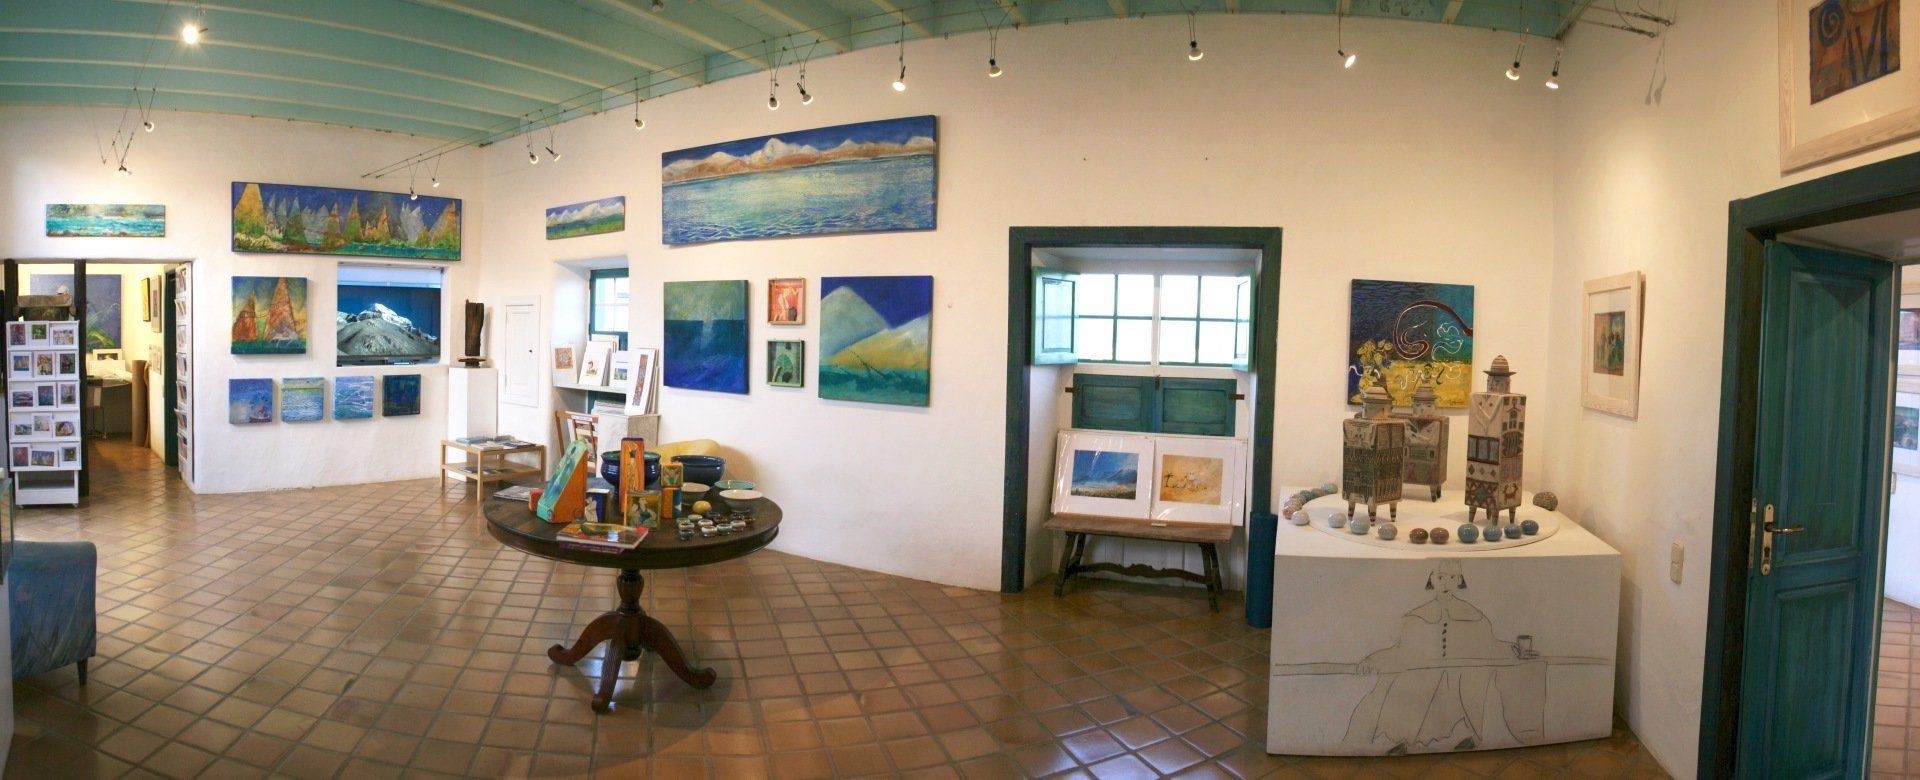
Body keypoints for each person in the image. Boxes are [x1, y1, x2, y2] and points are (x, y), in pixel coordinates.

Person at [1341, 560, 1544, 754]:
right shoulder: (1415, 617)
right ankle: (1402, 740)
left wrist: (1514, 650)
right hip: (1422, 681)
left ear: (1459, 580)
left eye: (1452, 577)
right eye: (1440, 577)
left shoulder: (1475, 616)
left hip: (1459, 684)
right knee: (1396, 693)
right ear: (1431, 579)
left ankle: (1466, 737)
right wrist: (1372, 660)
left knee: (1470, 692)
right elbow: (1400, 651)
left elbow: (1490, 646)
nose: (1446, 583)